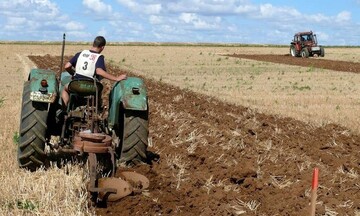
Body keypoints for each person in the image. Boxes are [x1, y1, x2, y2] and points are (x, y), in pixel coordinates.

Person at [61, 36, 126, 109]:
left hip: (76, 84)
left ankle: (64, 109)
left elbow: (67, 66)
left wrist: (73, 74)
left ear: (93, 44)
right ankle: (96, 108)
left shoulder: (80, 54)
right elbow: (99, 71)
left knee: (65, 89)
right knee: (99, 90)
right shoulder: (99, 57)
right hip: (91, 87)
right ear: (102, 47)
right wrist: (116, 78)